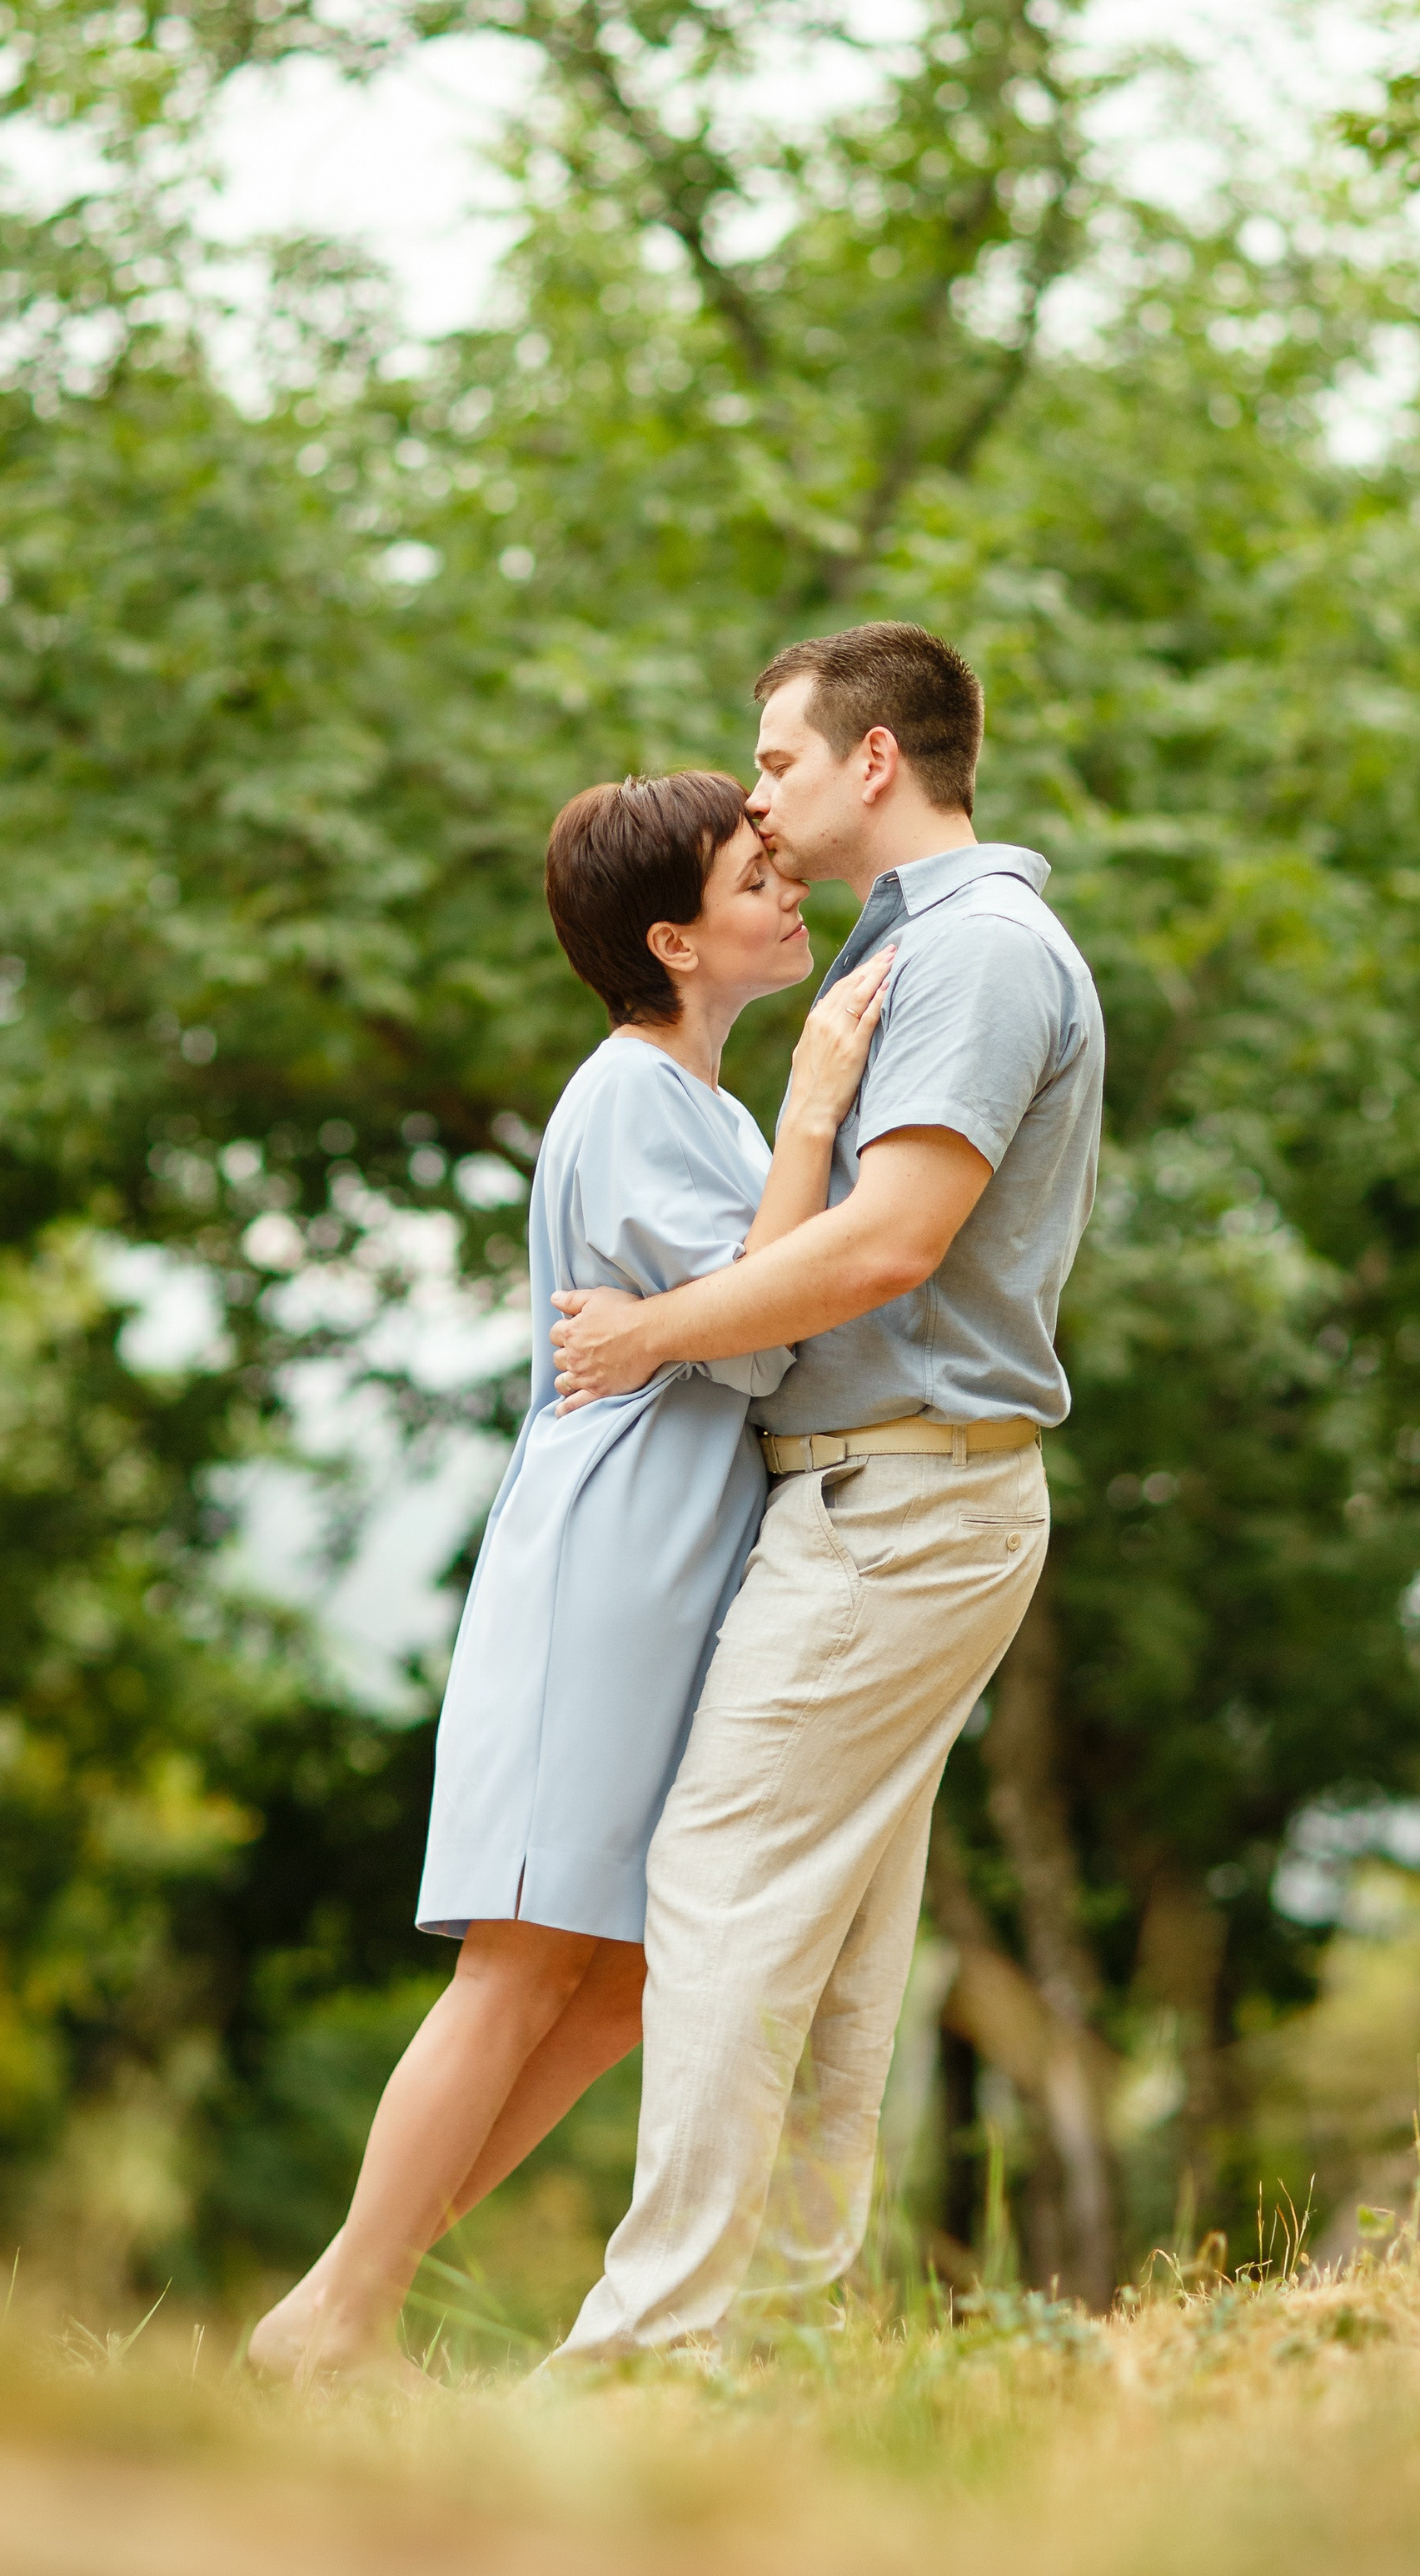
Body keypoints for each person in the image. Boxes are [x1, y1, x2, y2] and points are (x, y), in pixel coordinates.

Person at [247, 770, 892, 2380]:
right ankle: (339, 2317)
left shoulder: (702, 1109)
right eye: (755, 877)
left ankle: (341, 2302)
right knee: (526, 1957)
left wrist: (787, 1143)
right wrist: (820, 1111)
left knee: (624, 1984)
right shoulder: (628, 1096)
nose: (787, 888)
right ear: (675, 941)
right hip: (605, 1575)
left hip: (679, 1573)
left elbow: (750, 1303)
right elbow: (767, 1323)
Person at [546, 622, 1104, 2362]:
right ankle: (775, 2338)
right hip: (879, 1502)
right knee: (845, 1949)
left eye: (775, 763)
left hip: (903, 1503)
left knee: (714, 1888)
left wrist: (649, 1333)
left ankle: (649, 2350)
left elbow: (891, 1243)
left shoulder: (982, 953)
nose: (760, 806)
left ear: (874, 761)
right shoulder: (903, 946)